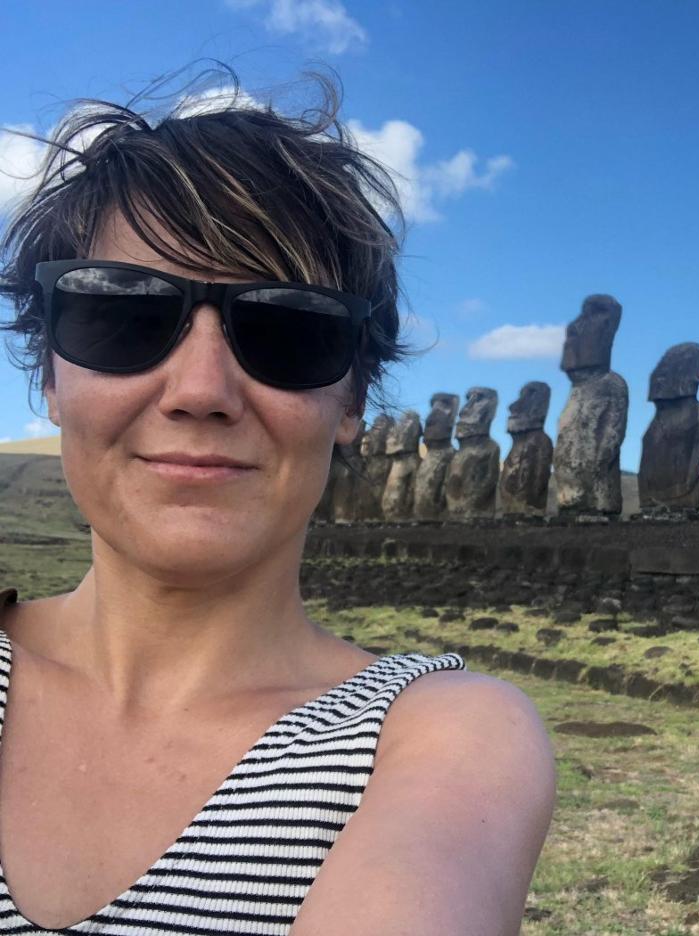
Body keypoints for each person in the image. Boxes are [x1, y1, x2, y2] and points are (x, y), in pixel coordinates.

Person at [0, 66, 556, 935]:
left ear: (353, 401)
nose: (202, 388)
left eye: (291, 330)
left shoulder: (447, 741)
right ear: (48, 373)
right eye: (123, 315)